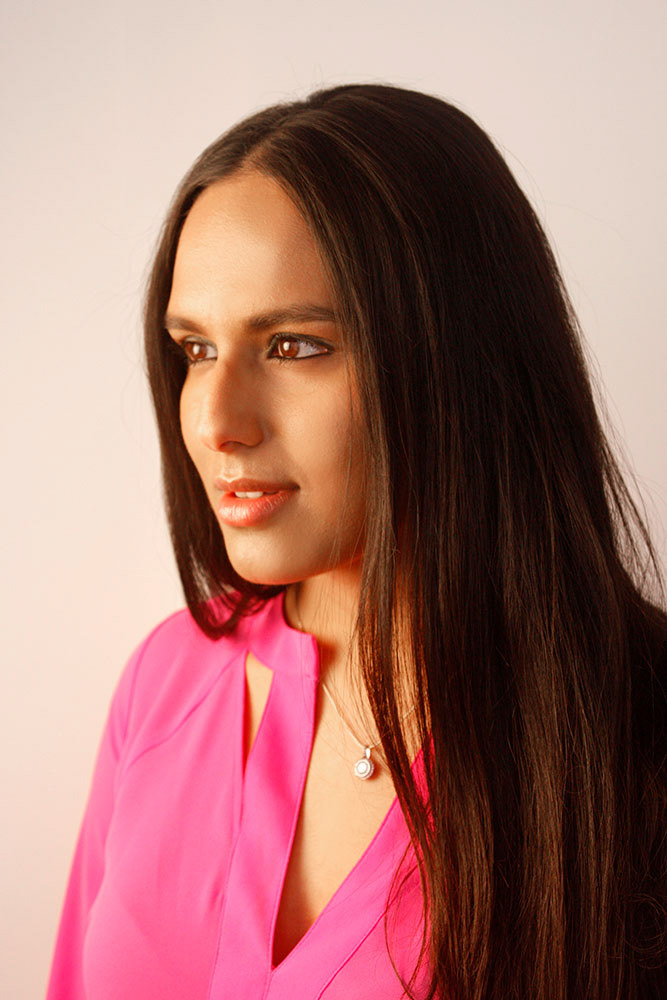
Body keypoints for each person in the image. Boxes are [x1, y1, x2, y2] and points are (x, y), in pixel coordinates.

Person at [46, 84, 666, 1000]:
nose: (216, 423)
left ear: (454, 357)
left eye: (293, 346)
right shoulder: (167, 680)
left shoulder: (634, 730)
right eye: (196, 350)